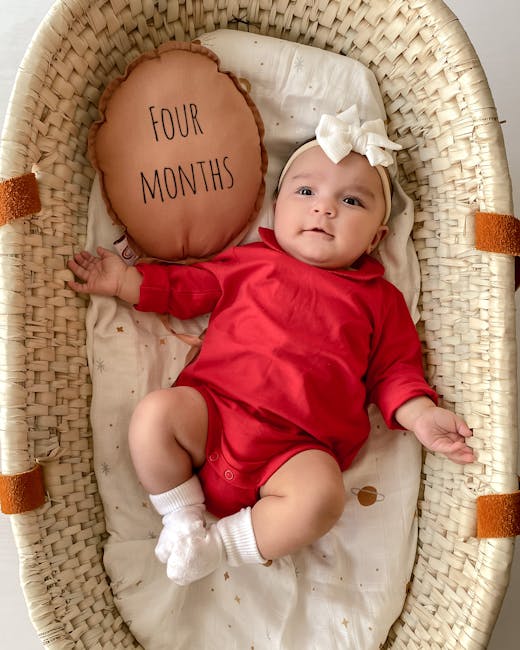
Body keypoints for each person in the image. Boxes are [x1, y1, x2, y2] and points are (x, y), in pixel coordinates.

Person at [68, 106, 474, 587]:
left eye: (352, 202)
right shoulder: (250, 263)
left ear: (377, 239)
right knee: (155, 416)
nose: (324, 208)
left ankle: (218, 547)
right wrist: (126, 283)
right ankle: (182, 518)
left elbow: (395, 371)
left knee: (323, 498)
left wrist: (421, 415)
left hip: (296, 453)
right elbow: (187, 289)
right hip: (212, 418)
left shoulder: (381, 301)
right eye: (306, 192)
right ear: (276, 206)